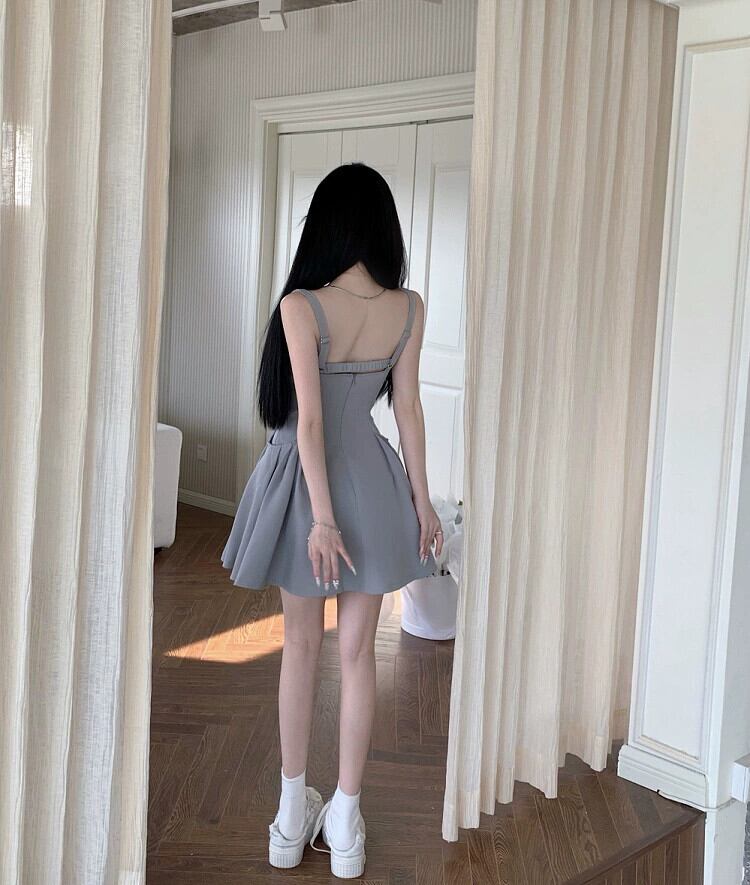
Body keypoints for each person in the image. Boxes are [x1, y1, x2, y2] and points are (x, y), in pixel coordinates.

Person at [220, 162, 443, 879]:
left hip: (305, 488)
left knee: (299, 648)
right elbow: (408, 411)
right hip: (373, 484)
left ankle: (291, 817)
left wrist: (320, 520)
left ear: (326, 225)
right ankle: (344, 823)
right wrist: (421, 499)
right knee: (357, 657)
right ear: (382, 227)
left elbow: (308, 423)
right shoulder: (407, 307)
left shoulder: (302, 306)